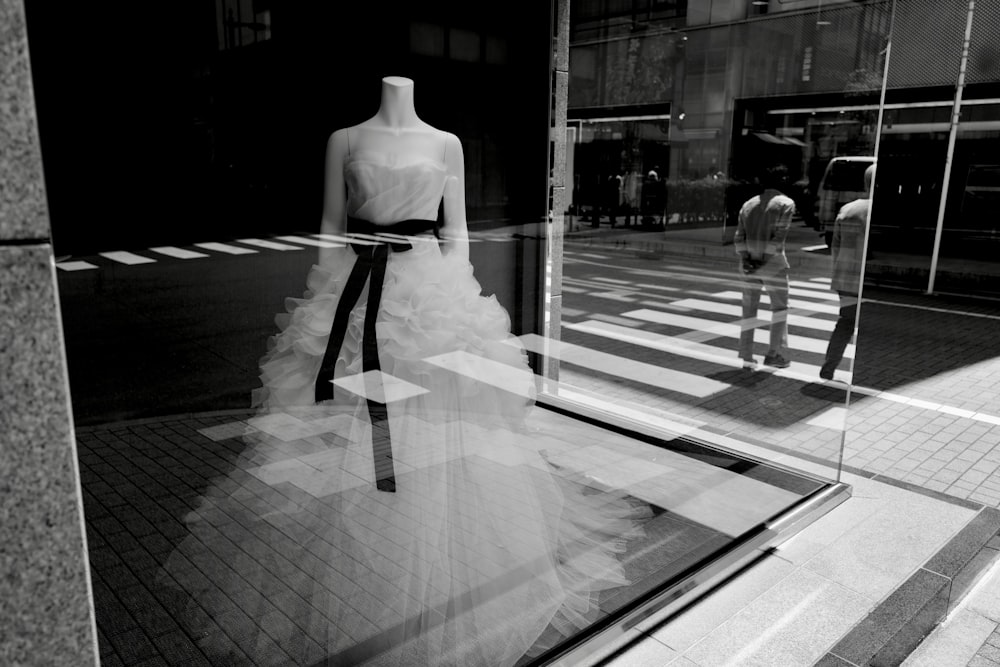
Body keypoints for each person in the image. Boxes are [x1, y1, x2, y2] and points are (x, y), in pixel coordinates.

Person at [160, 77, 645, 667]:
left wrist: (454, 303)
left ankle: (441, 560)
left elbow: (456, 231)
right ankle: (359, 561)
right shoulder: (344, 138)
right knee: (346, 429)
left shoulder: (446, 142)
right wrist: (328, 304)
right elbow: (331, 228)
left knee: (441, 428)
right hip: (357, 290)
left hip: (427, 290)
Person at [734, 164, 796, 369]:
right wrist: (764, 259)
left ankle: (746, 354)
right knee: (779, 308)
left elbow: (738, 237)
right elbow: (779, 237)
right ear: (783, 181)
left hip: (748, 264)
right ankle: (774, 353)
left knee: (749, 308)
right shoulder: (786, 204)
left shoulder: (748, 205)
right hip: (773, 265)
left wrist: (747, 258)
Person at [821, 163, 875, 381]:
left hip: (844, 278)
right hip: (865, 279)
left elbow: (835, 247)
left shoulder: (847, 209)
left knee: (845, 322)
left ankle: (829, 366)